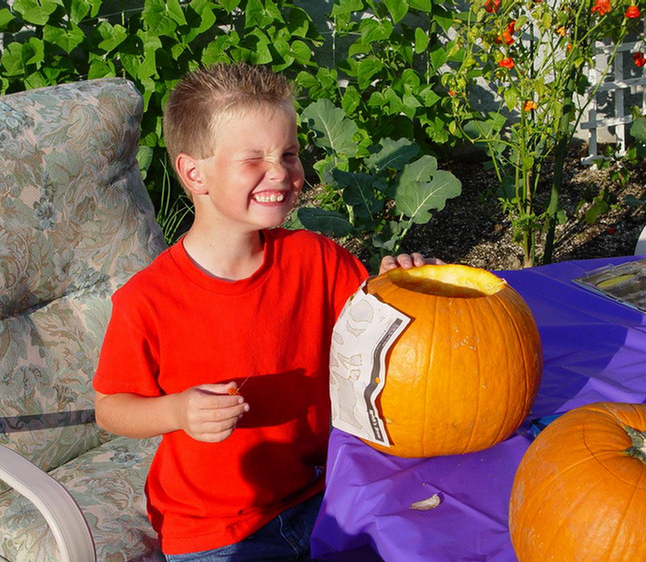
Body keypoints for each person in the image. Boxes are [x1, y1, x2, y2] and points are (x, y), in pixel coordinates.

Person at [93, 62, 440, 562]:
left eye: (290, 153)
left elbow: (379, 329)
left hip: (325, 490)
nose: (281, 171)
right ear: (194, 173)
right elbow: (110, 406)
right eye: (253, 158)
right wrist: (177, 411)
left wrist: (406, 284)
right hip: (216, 529)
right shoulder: (148, 299)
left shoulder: (315, 257)